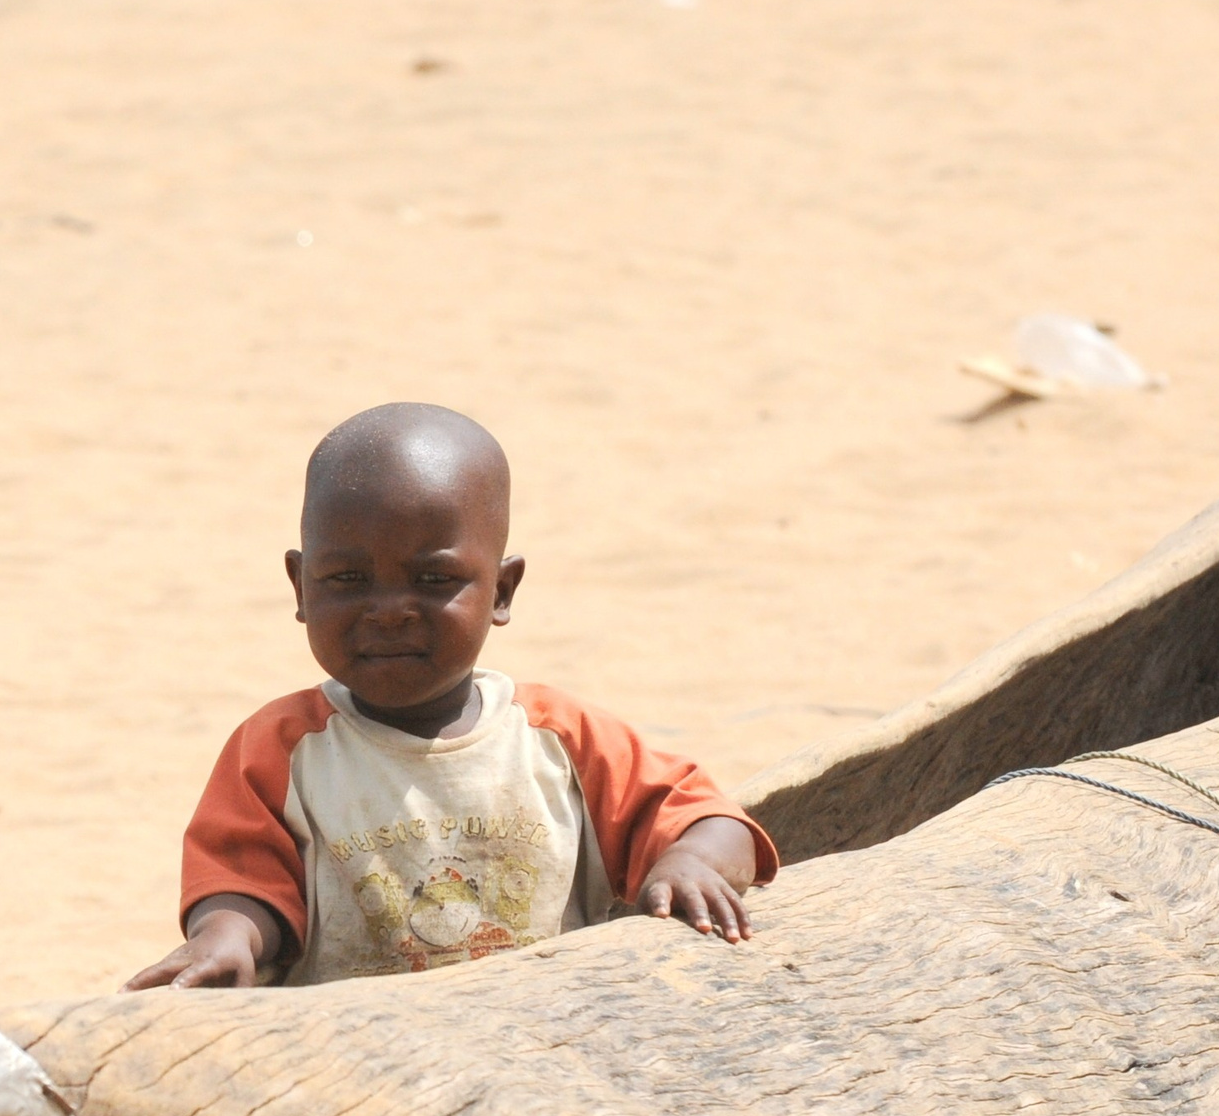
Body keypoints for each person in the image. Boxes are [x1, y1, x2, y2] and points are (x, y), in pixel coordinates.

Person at [126, 402, 776, 991]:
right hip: (355, 1060)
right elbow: (243, 884)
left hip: (550, 1046)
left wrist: (691, 860)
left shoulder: (558, 738)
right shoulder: (282, 752)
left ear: (501, 591)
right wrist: (226, 936)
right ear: (300, 586)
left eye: (433, 578)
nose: (388, 611)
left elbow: (711, 820)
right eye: (348, 578)